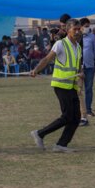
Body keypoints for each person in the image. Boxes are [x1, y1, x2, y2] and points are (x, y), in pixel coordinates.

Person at [30, 19, 83, 153]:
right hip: (60, 85)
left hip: (71, 86)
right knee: (67, 116)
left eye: (79, 29)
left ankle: (61, 144)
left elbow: (77, 69)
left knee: (76, 118)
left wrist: (80, 80)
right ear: (67, 30)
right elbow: (47, 59)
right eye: (74, 29)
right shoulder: (60, 44)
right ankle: (40, 133)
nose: (77, 32)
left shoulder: (78, 47)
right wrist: (36, 70)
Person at [80, 17, 95, 118]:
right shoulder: (77, 37)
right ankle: (79, 110)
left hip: (90, 66)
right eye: (86, 26)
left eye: (89, 26)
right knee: (77, 89)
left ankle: (88, 110)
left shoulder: (92, 37)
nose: (88, 28)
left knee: (88, 88)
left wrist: (91, 57)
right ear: (81, 27)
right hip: (78, 68)